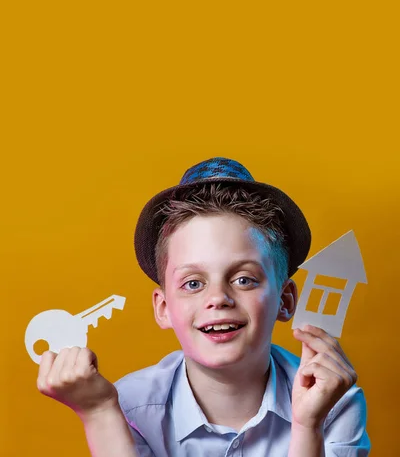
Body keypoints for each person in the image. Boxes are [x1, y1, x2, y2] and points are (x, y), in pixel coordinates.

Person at [37, 157, 370, 456]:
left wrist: (307, 426)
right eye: (193, 284)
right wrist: (98, 414)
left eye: (244, 280)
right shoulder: (129, 407)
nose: (218, 299)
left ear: (285, 301)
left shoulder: (335, 402)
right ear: (164, 308)